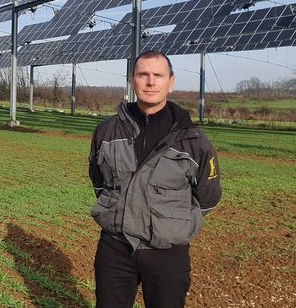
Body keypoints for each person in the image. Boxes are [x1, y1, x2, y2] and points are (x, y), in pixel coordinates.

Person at [88, 50, 222, 308]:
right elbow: (98, 180)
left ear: (171, 82)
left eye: (158, 75)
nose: (151, 82)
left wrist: (178, 226)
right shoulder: (106, 131)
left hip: (168, 254)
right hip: (115, 249)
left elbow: (209, 196)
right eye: (143, 75)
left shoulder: (193, 140)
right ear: (132, 81)